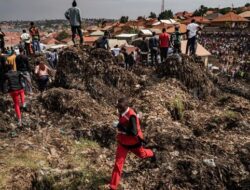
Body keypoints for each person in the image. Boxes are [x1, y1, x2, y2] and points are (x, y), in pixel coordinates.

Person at [110, 98, 155, 190]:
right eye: (118, 107)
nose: (118, 109)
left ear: (125, 106)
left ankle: (152, 152)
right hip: (123, 143)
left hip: (134, 143)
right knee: (118, 164)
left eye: (119, 107)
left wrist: (119, 126)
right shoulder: (122, 111)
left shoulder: (132, 116)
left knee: (142, 155)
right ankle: (113, 187)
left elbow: (134, 132)